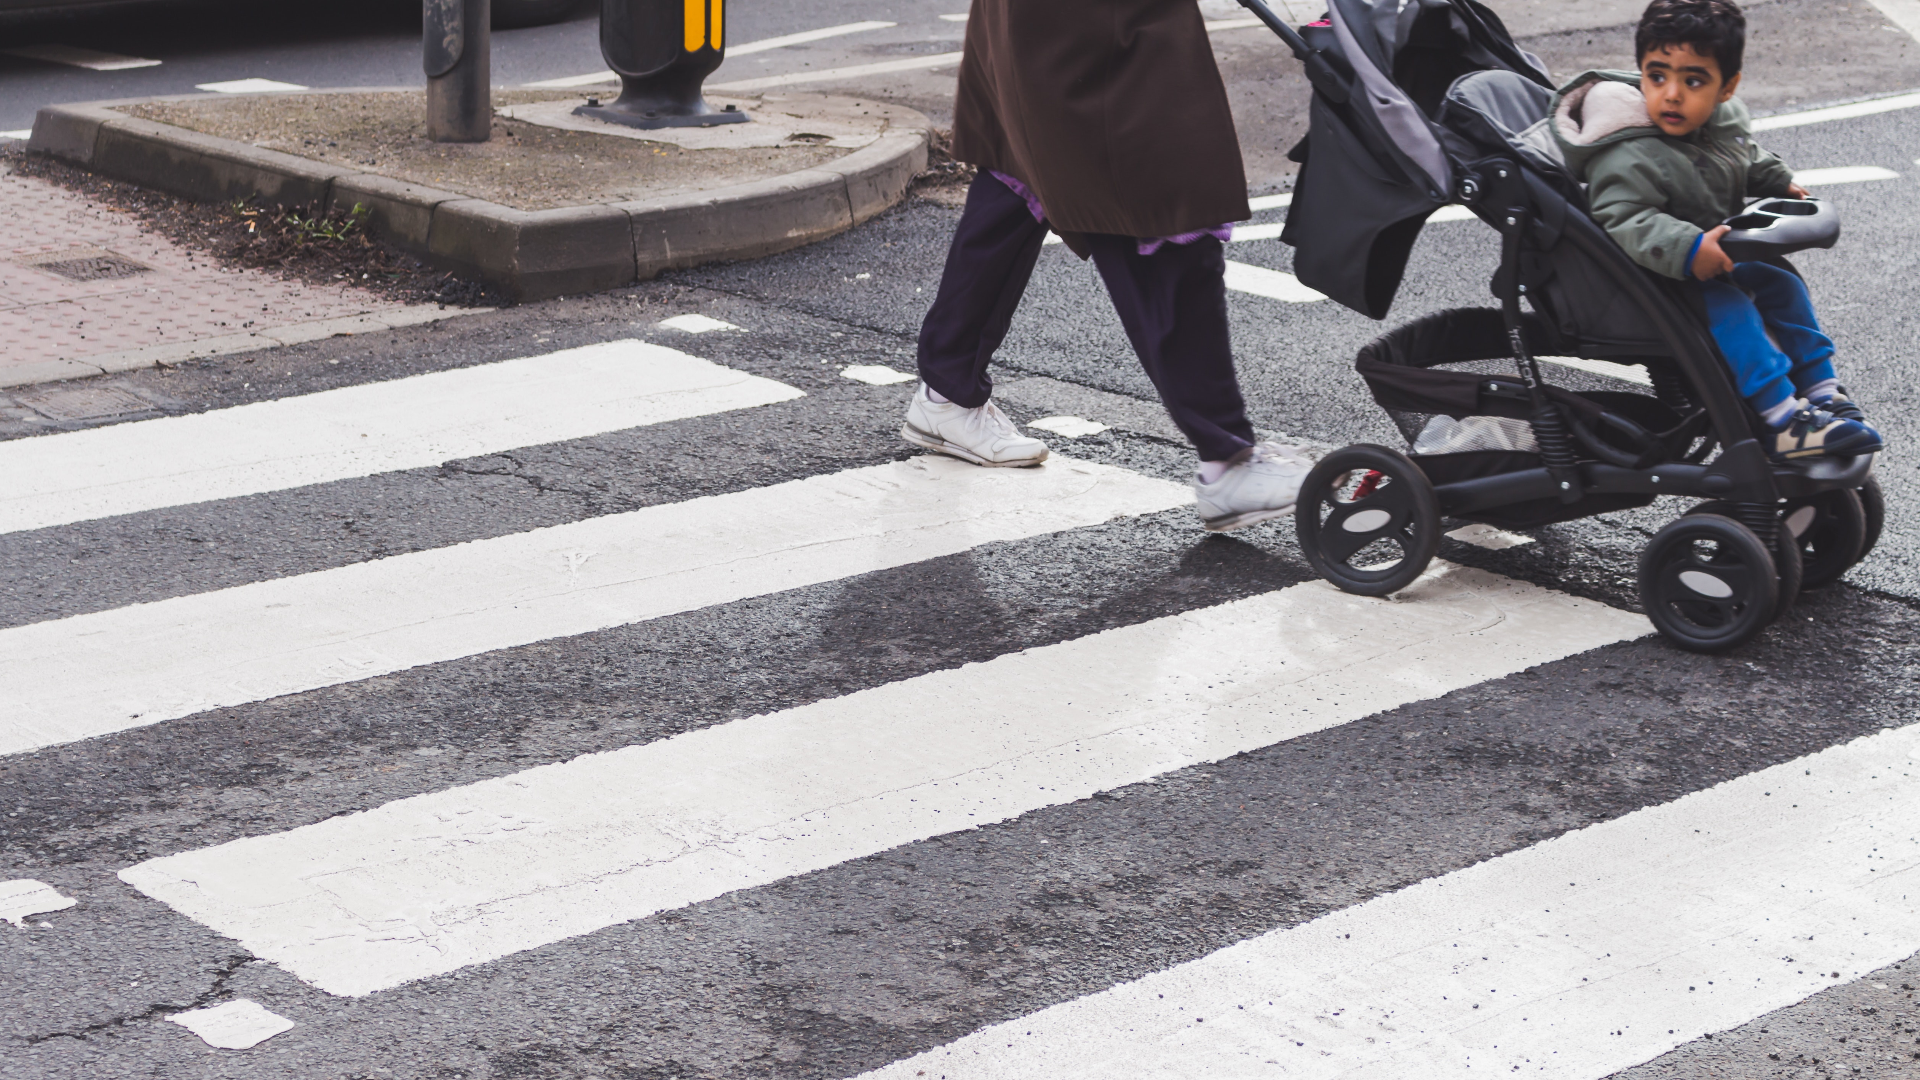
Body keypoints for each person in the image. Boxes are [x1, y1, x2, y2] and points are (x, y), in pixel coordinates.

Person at [901, 0, 1312, 532]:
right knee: (1156, 193)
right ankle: (1227, 462)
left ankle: (948, 391)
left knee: (1022, 162)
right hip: (1098, 23)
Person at [1549, 0, 1882, 462]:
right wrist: (1686, 247)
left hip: (1712, 261)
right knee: (1733, 310)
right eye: (1657, 75)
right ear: (1640, 73)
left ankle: (1823, 390)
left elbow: (1739, 154)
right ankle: (1782, 419)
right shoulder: (1626, 153)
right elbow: (1626, 218)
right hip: (1655, 279)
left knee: (1779, 282)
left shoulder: (1720, 122)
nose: (1671, 94)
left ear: (1727, 88)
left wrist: (1774, 178)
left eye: (1693, 80)